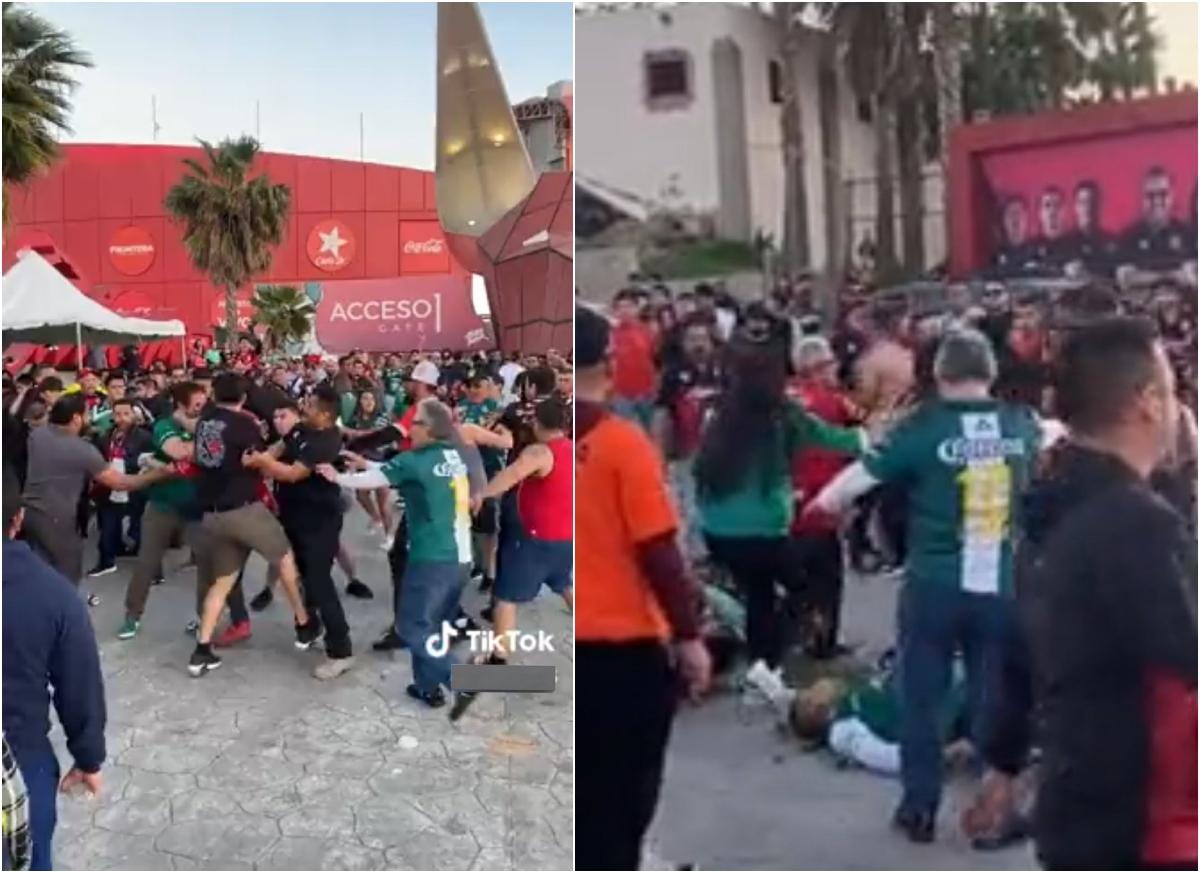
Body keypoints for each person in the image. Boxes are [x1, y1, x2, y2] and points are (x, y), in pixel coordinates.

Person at [974, 317, 1196, 870]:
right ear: (1146, 401)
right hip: (1139, 817)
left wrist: (1002, 760)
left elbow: (1017, 645)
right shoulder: (1137, 525)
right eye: (1172, 392)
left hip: (1073, 798)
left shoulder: (1048, 510)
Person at [812, 328, 1043, 844]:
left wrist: (821, 506)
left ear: (938, 376)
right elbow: (1061, 435)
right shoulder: (1021, 424)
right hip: (1001, 585)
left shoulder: (921, 428)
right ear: (991, 373)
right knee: (993, 696)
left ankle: (919, 808)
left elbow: (853, 482)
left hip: (934, 585)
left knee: (921, 697)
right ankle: (993, 803)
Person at [575, 306, 710, 871]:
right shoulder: (621, 445)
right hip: (620, 655)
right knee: (619, 807)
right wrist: (689, 638)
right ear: (607, 362)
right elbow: (658, 552)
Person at [697, 335, 865, 686]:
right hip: (764, 531)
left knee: (760, 593)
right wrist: (867, 438)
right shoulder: (782, 414)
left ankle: (763, 664)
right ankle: (792, 650)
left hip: (719, 532)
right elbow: (827, 437)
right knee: (805, 589)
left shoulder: (721, 415)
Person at [322, 398, 475, 714]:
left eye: (414, 422)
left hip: (432, 557)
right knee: (431, 626)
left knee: (411, 629)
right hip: (460, 556)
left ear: (429, 429)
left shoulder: (415, 459)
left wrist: (336, 477)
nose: (408, 428)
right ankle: (426, 687)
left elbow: (381, 479)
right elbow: (399, 473)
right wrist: (368, 465)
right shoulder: (449, 454)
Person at [3, 467, 106, 871]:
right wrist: (89, 758)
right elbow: (78, 688)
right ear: (18, 519)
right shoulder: (54, 594)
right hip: (18, 764)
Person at [188, 373, 318, 677]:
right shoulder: (244, 424)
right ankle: (303, 624)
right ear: (243, 398)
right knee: (284, 559)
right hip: (244, 509)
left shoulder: (204, 423)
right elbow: (255, 459)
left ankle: (201, 650)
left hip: (212, 514)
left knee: (222, 582)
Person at [243, 385, 354, 680]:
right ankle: (312, 625)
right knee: (301, 576)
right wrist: (262, 458)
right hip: (292, 514)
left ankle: (340, 650)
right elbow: (279, 448)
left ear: (326, 413)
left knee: (319, 581)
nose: (305, 406)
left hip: (319, 521)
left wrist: (264, 462)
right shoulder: (301, 429)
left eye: (311, 404)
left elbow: (292, 473)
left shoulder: (326, 441)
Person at [21, 395, 167, 601]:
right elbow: (120, 483)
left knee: (39, 563)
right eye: (86, 413)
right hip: (57, 518)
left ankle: (38, 602)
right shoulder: (82, 450)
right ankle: (64, 611)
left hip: (29, 512)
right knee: (67, 569)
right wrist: (158, 474)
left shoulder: (38, 435)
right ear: (76, 418)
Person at [470, 397, 572, 682]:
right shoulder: (574, 449)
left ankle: (499, 658)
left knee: (505, 597)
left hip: (533, 539)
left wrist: (483, 494)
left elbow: (512, 473)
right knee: (562, 582)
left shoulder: (540, 452)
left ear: (538, 423)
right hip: (566, 537)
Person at [787, 336, 859, 658]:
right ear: (815, 369)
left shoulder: (786, 401)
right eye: (831, 364)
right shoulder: (833, 402)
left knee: (799, 580)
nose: (837, 369)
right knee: (827, 578)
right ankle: (823, 643)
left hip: (788, 503)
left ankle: (801, 636)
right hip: (823, 500)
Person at [87, 399, 153, 578]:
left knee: (141, 528)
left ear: (134, 415)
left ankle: (153, 570)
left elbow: (150, 462)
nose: (122, 418)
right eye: (117, 414)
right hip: (110, 486)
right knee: (108, 524)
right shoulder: (105, 436)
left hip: (134, 485)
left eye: (126, 413)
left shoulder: (144, 437)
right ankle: (106, 561)